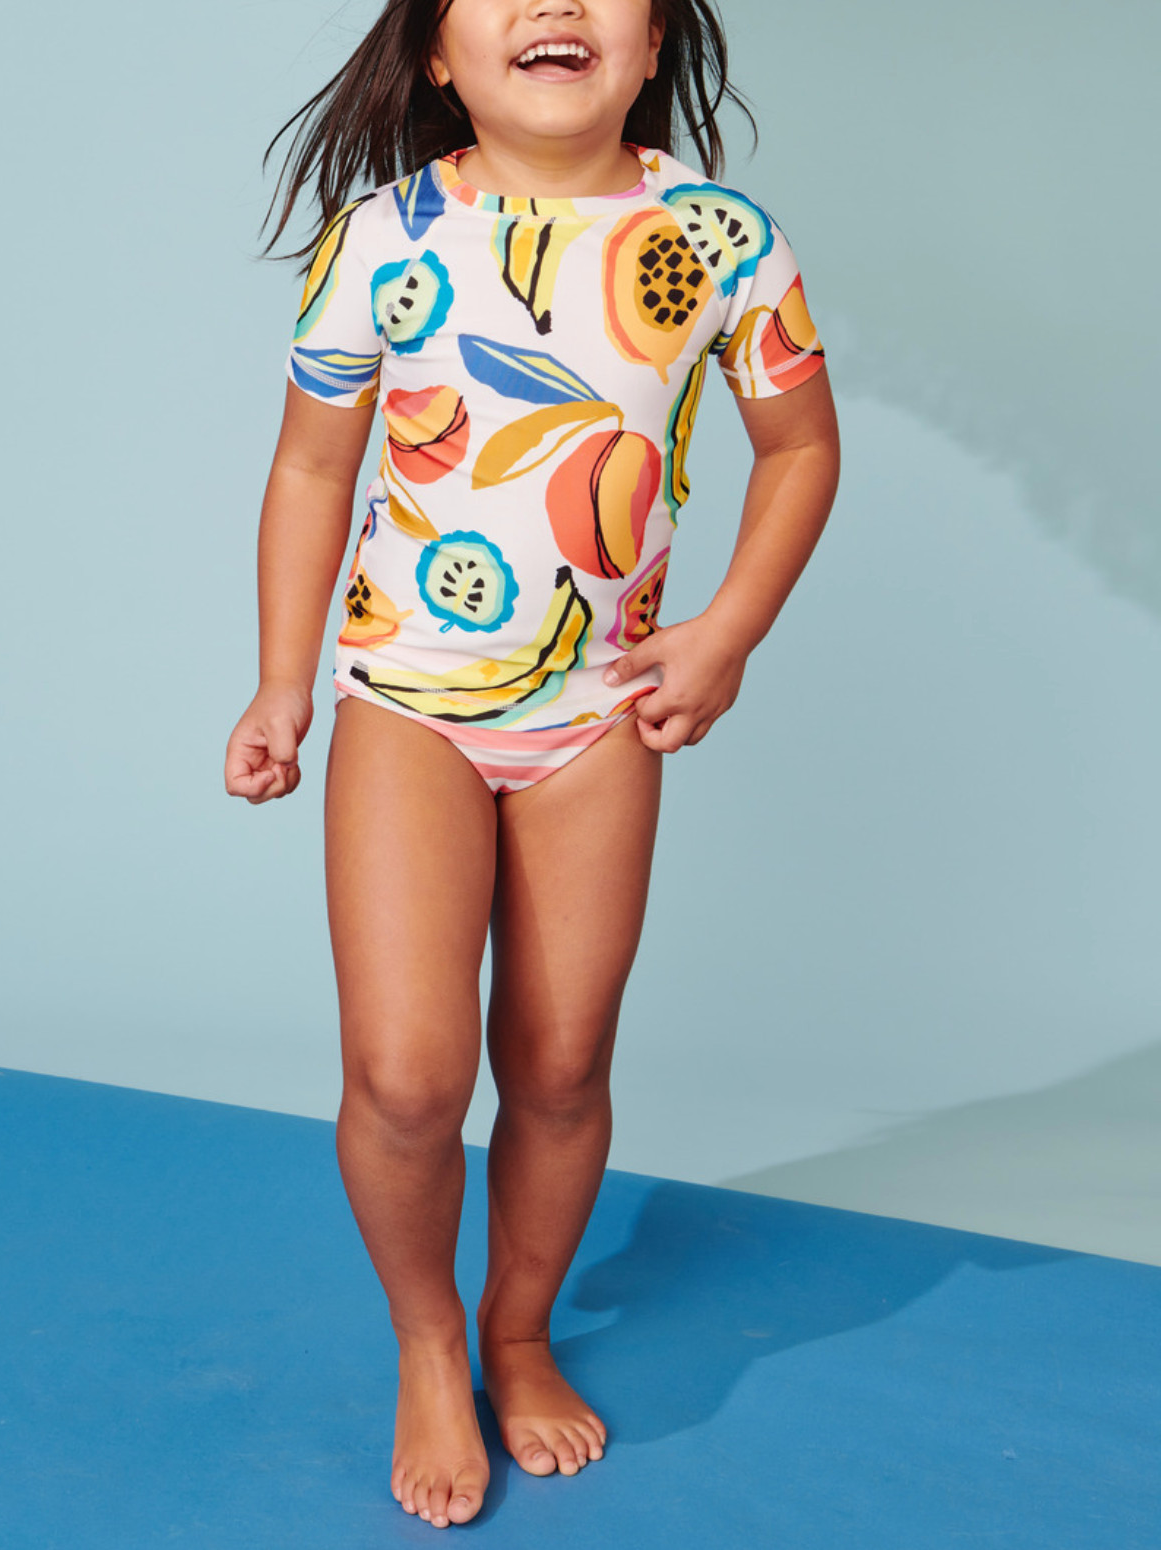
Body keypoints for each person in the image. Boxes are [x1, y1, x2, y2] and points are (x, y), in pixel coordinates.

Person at [225, 0, 840, 1529]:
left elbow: (801, 446)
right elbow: (311, 462)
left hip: (596, 717)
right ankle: (429, 1334)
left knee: (560, 1066)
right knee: (407, 1074)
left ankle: (516, 1327)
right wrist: (283, 682)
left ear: (655, 43)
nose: (555, 3)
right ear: (438, 53)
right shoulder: (384, 239)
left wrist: (727, 634)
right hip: (408, 704)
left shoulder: (720, 238)